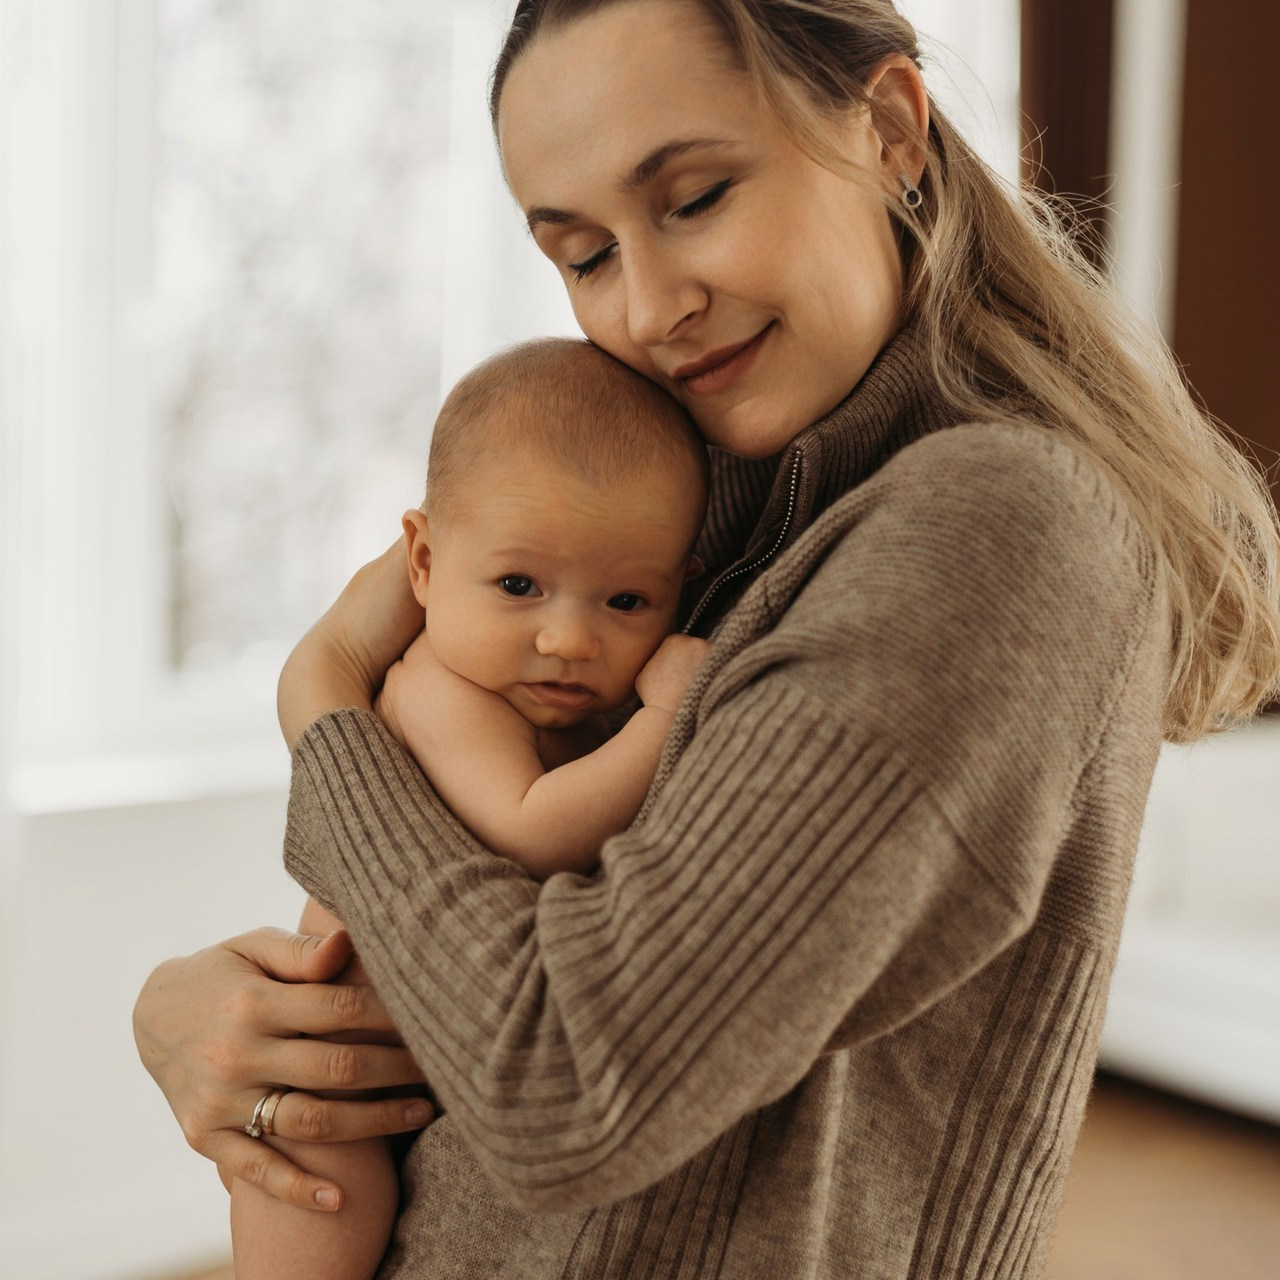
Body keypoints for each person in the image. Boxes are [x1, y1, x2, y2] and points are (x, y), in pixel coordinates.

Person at [134, 2, 1280, 1276]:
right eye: (580, 255)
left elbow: (564, 1079)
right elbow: (484, 937)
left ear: (891, 129)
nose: (647, 307)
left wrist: (325, 708)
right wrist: (213, 1020)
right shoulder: (692, 524)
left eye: (692, 199)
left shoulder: (992, 525)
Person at [229, 336, 711, 1279]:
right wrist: (664, 722)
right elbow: (529, 826)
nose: (568, 637)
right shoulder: (442, 691)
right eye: (518, 586)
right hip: (337, 1078)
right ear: (421, 561)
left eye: (626, 599)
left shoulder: (541, 689)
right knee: (321, 1201)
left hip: (454, 1064)